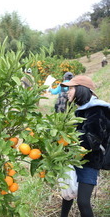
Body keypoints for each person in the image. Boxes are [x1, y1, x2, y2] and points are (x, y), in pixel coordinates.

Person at [60, 75, 110, 217]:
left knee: (83, 201)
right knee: (67, 195)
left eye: (71, 88)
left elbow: (93, 140)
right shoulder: (79, 110)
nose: (68, 92)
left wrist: (68, 138)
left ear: (81, 90)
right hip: (74, 158)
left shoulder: (97, 110)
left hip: (89, 162)